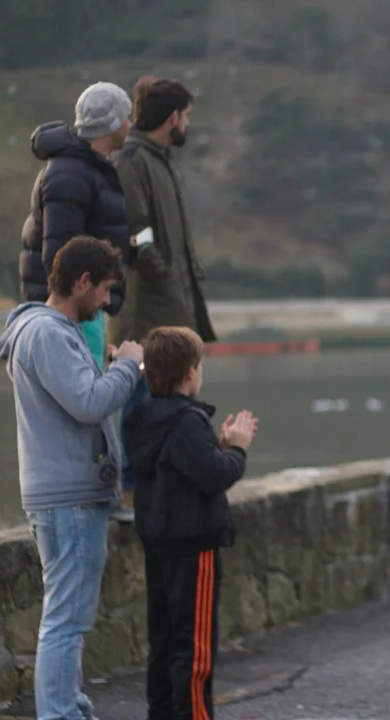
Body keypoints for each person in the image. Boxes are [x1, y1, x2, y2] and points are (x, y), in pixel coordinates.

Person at [0, 236, 144, 720]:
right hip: (68, 499)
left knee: (70, 618)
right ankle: (59, 714)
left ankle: (70, 708)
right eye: (104, 289)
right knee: (65, 621)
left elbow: (81, 396)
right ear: (82, 282)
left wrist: (113, 370)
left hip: (66, 496)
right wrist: (128, 366)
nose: (107, 301)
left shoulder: (49, 330)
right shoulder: (48, 334)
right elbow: (89, 403)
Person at [123, 326, 257, 720]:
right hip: (193, 545)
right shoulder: (186, 421)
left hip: (158, 541)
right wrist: (237, 449)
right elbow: (214, 475)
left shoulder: (141, 417)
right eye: (200, 365)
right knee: (194, 647)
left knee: (163, 644)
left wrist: (217, 447)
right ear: (189, 372)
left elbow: (181, 466)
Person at [110, 75, 218, 520]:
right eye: (186, 115)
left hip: (170, 300)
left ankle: (160, 482)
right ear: (173, 117)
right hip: (146, 306)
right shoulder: (134, 161)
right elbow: (138, 232)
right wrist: (163, 271)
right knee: (139, 395)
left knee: (167, 397)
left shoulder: (160, 161)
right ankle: (130, 487)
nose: (188, 123)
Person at [19, 82, 135, 369]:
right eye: (125, 117)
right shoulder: (70, 175)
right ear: (112, 124)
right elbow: (61, 254)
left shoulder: (87, 170)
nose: (130, 125)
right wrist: (77, 308)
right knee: (85, 389)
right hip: (75, 312)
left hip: (85, 304)